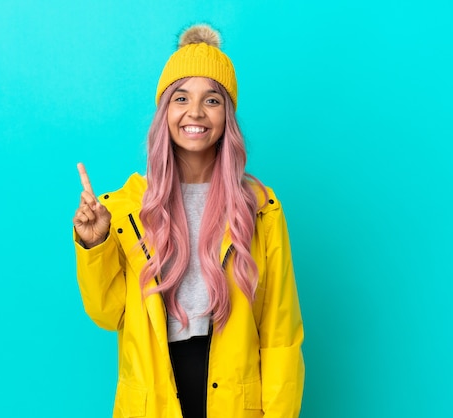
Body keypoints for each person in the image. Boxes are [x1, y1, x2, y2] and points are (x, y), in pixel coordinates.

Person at [73, 24, 304, 418]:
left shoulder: (260, 208)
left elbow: (281, 332)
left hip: (234, 397)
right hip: (154, 396)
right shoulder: (128, 208)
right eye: (181, 98)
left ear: (226, 117)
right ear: (166, 112)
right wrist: (95, 244)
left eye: (211, 100)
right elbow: (108, 314)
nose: (195, 112)